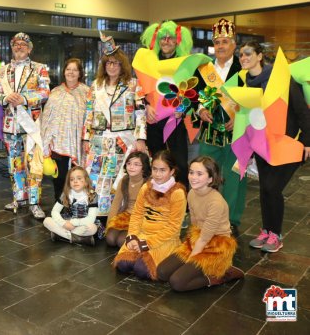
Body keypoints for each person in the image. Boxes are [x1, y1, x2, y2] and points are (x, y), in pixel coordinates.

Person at [240, 41, 310, 253]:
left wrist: (307, 141)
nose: (243, 57)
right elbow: (248, 117)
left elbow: (302, 112)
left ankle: (276, 235)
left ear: (260, 55)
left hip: (288, 142)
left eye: (248, 53)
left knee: (273, 188)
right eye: (241, 55)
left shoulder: (281, 79)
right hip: (262, 144)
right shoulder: (246, 83)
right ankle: (266, 231)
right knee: (264, 189)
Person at [82, 35, 147, 217]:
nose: (111, 66)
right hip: (98, 139)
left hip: (121, 140)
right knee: (93, 177)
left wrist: (141, 138)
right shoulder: (95, 86)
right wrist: (85, 138)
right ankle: (94, 215)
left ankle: (112, 216)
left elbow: (140, 113)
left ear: (122, 65)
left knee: (114, 179)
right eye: (108, 63)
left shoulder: (133, 85)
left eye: (116, 63)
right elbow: (89, 114)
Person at [157, 156, 244, 291]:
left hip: (216, 246)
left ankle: (221, 274)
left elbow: (205, 238)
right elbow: (195, 225)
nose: (193, 177)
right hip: (199, 239)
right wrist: (189, 249)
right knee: (162, 272)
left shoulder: (216, 203)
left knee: (177, 282)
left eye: (199, 174)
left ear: (210, 178)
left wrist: (190, 260)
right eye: (191, 172)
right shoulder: (192, 193)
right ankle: (200, 271)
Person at [195, 18, 246, 236]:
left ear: (233, 44)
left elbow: (256, 98)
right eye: (217, 42)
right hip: (209, 133)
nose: (221, 46)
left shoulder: (243, 68)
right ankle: (205, 216)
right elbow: (194, 95)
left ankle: (231, 219)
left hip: (237, 133)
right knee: (206, 175)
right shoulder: (204, 69)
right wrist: (199, 110)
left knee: (235, 178)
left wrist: (241, 116)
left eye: (225, 42)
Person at [0, 32, 50, 219]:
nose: (19, 47)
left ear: (30, 48)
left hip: (31, 124)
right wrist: (5, 97)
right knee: (14, 163)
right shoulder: (3, 71)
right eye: (16, 44)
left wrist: (24, 99)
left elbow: (45, 93)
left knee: (34, 163)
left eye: (23, 44)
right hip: (10, 125)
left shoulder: (39, 68)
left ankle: (34, 202)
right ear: (12, 46)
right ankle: (19, 198)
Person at [113, 150, 186, 280]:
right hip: (142, 234)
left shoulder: (177, 193)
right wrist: (132, 237)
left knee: (142, 270)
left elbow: (173, 228)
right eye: (154, 169)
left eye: (162, 170)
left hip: (162, 239)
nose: (157, 174)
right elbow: (136, 215)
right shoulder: (146, 188)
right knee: (122, 265)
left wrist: (146, 243)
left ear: (172, 171)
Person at [140, 20, 193, 187]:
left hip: (175, 121)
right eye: (163, 38)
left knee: (180, 165)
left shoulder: (185, 64)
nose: (166, 41)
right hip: (154, 120)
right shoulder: (150, 62)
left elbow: (194, 94)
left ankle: (181, 203)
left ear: (178, 41)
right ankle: (157, 199)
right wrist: (146, 106)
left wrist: (182, 109)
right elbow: (140, 89)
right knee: (156, 164)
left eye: (171, 38)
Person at [41, 58, 90, 202]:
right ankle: (59, 203)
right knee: (60, 175)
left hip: (78, 141)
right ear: (64, 72)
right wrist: (46, 140)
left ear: (80, 73)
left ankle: (77, 203)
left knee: (77, 175)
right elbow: (47, 117)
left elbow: (90, 117)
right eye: (68, 69)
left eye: (75, 70)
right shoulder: (55, 92)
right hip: (58, 142)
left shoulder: (87, 92)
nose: (71, 72)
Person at [105, 151, 151, 248]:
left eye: (136, 164)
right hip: (125, 216)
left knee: (121, 241)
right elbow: (115, 204)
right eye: (129, 163)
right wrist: (108, 225)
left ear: (144, 167)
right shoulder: (124, 180)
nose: (131, 167)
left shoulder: (148, 183)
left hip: (140, 218)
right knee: (110, 239)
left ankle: (133, 236)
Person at [43, 166, 98, 246]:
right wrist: (64, 224)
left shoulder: (92, 195)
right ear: (69, 182)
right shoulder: (66, 193)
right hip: (67, 223)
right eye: (72, 179)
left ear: (86, 181)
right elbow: (55, 211)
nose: (75, 181)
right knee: (47, 221)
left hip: (83, 223)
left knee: (92, 228)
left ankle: (60, 235)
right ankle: (80, 239)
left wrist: (73, 223)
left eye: (79, 178)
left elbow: (91, 219)